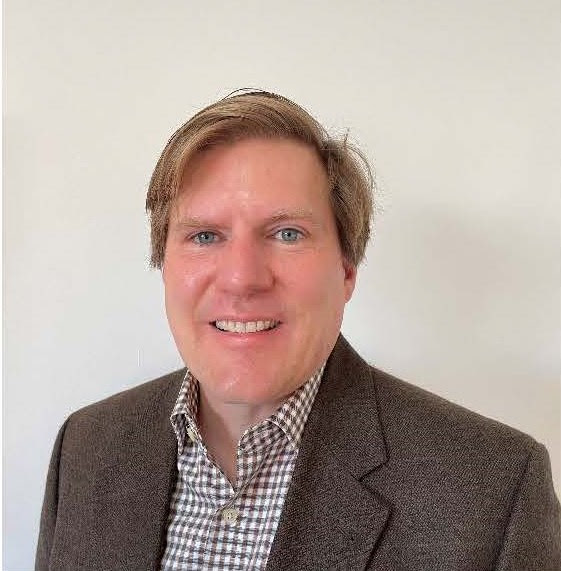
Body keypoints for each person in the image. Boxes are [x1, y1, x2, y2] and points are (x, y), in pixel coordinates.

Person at [35, 91, 560, 571]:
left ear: (346, 270)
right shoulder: (86, 447)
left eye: (287, 233)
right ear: (164, 264)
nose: (242, 278)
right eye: (205, 236)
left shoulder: (495, 491)